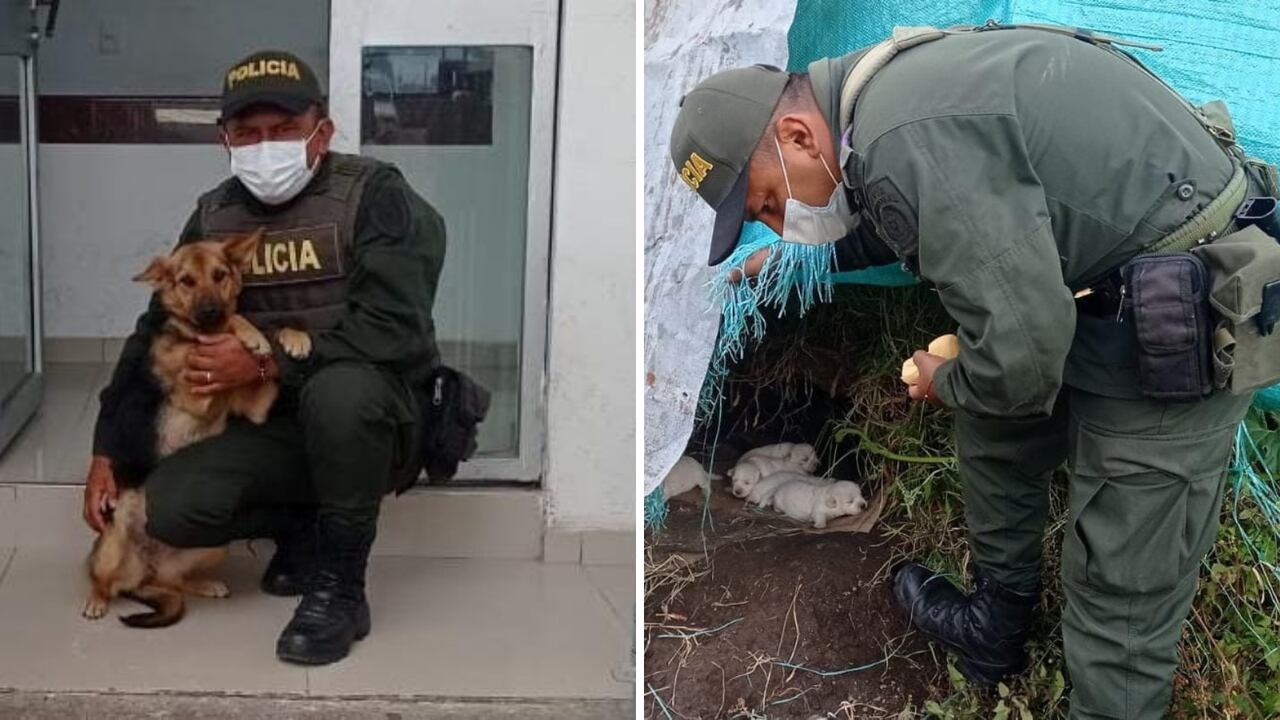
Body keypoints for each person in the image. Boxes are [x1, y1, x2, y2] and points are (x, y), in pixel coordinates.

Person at [668, 23, 1276, 719]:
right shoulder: (876, 98)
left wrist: (942, 381)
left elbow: (1021, 355)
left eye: (769, 204)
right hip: (1100, 282)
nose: (779, 224)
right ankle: (995, 623)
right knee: (994, 426)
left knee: (1121, 587)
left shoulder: (904, 134)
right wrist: (804, 260)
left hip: (1182, 320)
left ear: (800, 137)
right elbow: (921, 208)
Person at [82, 50, 446, 666]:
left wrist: (266, 362)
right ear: (226, 141)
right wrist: (107, 450)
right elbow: (153, 331)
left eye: (283, 130)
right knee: (171, 507)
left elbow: (396, 330)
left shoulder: (375, 195)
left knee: (342, 395)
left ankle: (339, 584)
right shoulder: (216, 212)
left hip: (376, 417)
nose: (265, 146)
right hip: (275, 424)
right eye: (248, 134)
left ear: (322, 131)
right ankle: (300, 527)